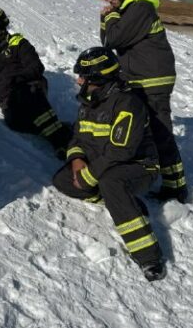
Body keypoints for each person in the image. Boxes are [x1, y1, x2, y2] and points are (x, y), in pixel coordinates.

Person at [52, 47, 166, 281]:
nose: (79, 80)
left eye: (83, 76)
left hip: (138, 165)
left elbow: (121, 151)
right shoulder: (89, 101)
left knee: (111, 182)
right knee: (62, 180)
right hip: (104, 161)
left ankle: (149, 257)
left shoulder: (127, 104)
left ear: (99, 78)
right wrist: (77, 161)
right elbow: (77, 138)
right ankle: (121, 202)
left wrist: (88, 176)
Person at [99, 0, 187, 204]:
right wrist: (107, 18)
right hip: (139, 78)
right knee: (145, 129)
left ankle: (175, 188)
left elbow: (113, 38)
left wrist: (110, 16)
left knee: (160, 132)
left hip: (152, 81)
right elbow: (108, 41)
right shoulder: (130, 9)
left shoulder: (141, 8)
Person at [0, 5, 71, 159]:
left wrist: (14, 78)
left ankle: (61, 141)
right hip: (7, 97)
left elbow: (36, 67)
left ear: (0, 28)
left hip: (29, 86)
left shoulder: (18, 43)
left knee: (28, 98)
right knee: (14, 123)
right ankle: (61, 129)